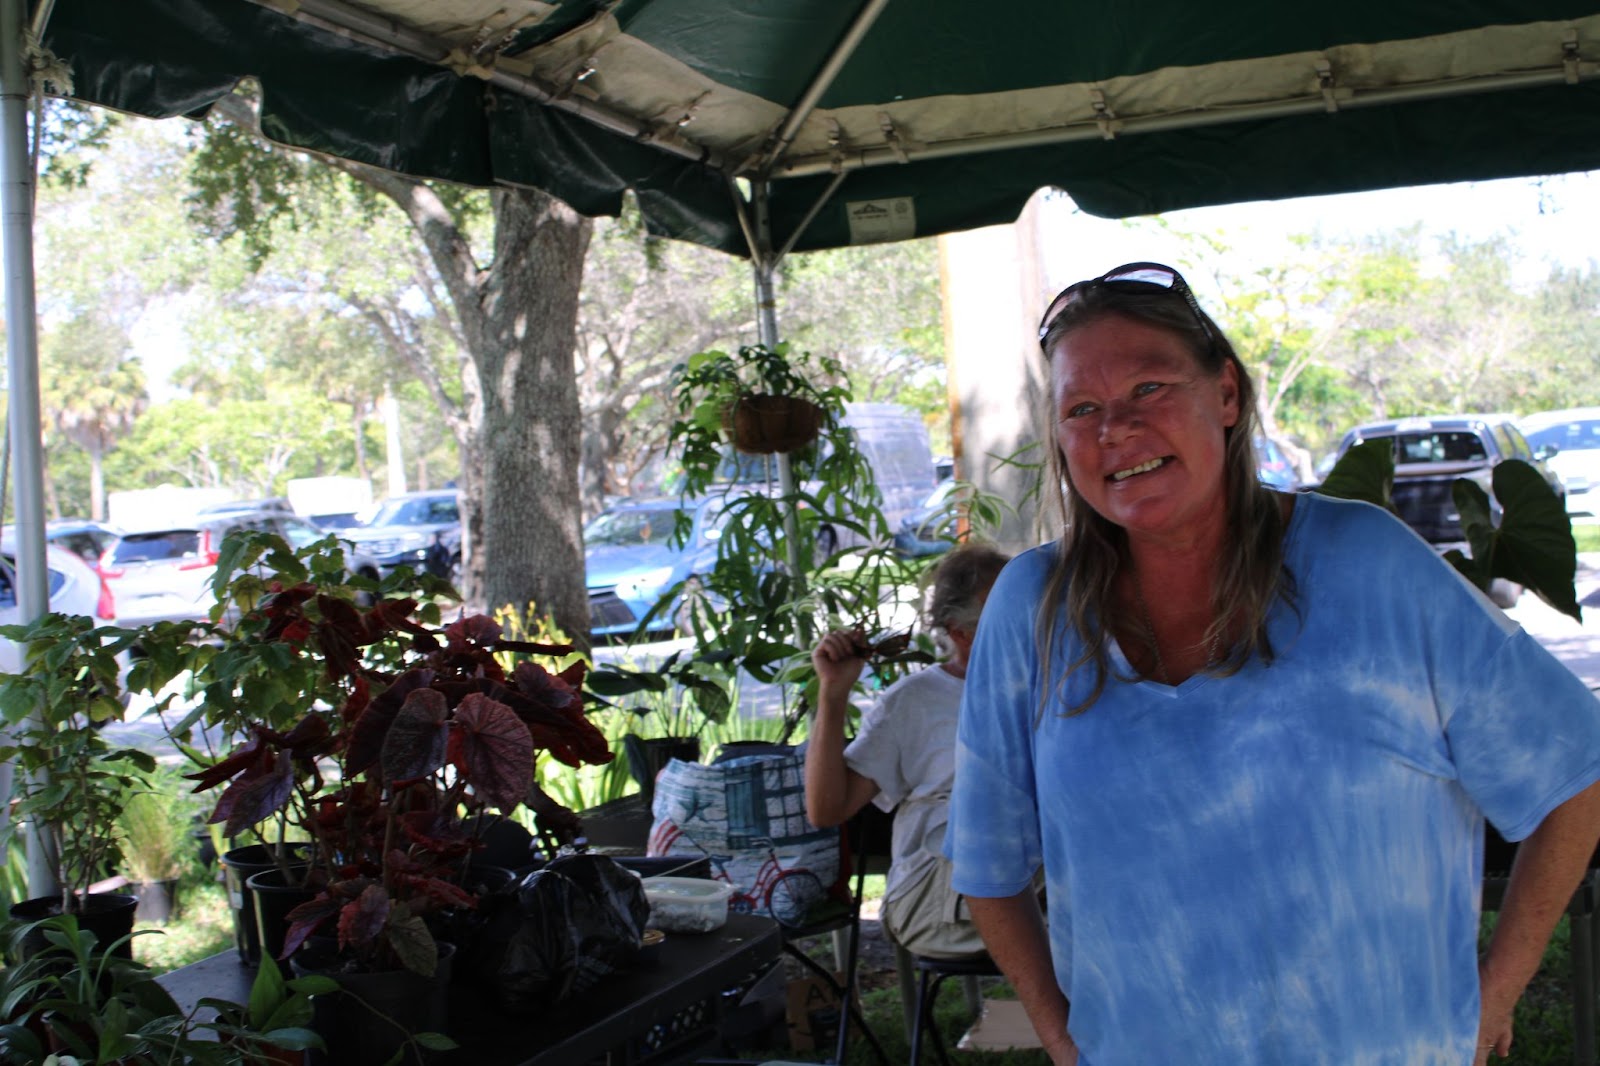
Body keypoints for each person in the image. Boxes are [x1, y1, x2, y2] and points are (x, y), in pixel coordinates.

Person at [945, 261, 1600, 1065]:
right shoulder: (1032, 608)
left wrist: (1492, 997)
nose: (1116, 428)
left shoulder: (1369, 565)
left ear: (1226, 394)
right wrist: (1059, 1036)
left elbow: (1577, 775)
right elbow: (987, 862)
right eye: (1082, 409)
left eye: (1150, 388)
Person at [808, 542, 1010, 958]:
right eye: (1010, 615)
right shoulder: (914, 701)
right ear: (961, 633)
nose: (1030, 623)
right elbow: (827, 809)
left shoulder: (1054, 684)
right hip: (934, 897)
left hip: (1034, 884)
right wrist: (833, 693)